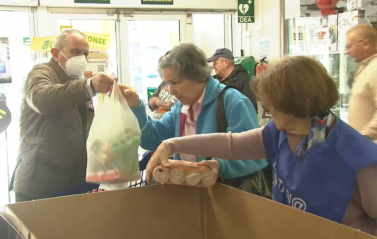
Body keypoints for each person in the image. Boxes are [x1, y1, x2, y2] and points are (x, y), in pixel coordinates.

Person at [146, 56, 377, 236]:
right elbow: (232, 145)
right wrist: (171, 144)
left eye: (269, 103)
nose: (266, 108)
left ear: (292, 103)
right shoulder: (281, 132)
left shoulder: (359, 159)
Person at [118, 43, 267, 192]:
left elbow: (255, 155)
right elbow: (154, 138)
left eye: (175, 82)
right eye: (167, 83)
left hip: (224, 200)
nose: (171, 90)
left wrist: (219, 166)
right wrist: (136, 106)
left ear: (197, 75)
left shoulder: (233, 102)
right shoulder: (181, 106)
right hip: (187, 198)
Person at [10, 29, 115, 201]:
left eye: (85, 54)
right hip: (40, 183)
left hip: (71, 182)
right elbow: (40, 98)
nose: (81, 58)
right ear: (56, 54)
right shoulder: (41, 73)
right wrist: (89, 86)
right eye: (75, 52)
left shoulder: (76, 81)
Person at [345, 24, 377, 142]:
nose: (347, 52)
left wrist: (364, 136)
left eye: (349, 46)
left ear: (366, 44)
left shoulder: (375, 69)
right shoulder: (364, 68)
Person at [207, 48, 258, 112]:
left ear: (226, 62)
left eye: (215, 64)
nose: (214, 67)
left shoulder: (243, 79)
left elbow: (251, 108)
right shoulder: (214, 80)